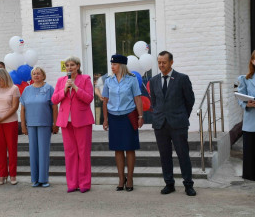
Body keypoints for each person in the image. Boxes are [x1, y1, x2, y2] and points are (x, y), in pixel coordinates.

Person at [149, 51, 196, 196]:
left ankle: (188, 184)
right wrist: (158, 115)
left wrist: (181, 116)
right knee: (165, 155)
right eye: (159, 62)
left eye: (164, 62)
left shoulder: (182, 78)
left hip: (178, 124)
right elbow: (155, 102)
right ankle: (169, 183)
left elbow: (190, 100)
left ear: (171, 62)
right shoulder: (154, 80)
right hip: (160, 124)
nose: (161, 65)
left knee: (183, 155)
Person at [52, 56, 94, 193]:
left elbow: (89, 98)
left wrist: (75, 87)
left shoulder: (85, 79)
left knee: (83, 153)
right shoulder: (61, 81)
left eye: (72, 65)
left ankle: (85, 183)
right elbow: (54, 99)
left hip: (82, 120)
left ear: (78, 66)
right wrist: (64, 89)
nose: (69, 67)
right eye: (67, 65)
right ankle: (72, 183)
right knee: (70, 153)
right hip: (66, 121)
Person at [102, 54, 144, 192]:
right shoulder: (108, 81)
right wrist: (105, 119)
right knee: (118, 149)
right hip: (114, 118)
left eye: (114, 64)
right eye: (111, 64)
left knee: (130, 148)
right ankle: (121, 178)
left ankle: (130, 178)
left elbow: (137, 98)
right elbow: (105, 101)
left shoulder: (131, 80)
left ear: (121, 65)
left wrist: (140, 116)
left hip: (128, 117)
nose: (112, 67)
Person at [20, 67, 58, 187]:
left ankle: (43, 179)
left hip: (44, 124)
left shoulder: (49, 89)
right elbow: (22, 109)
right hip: (31, 124)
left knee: (43, 152)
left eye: (38, 73)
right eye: (34, 74)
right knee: (33, 152)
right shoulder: (27, 90)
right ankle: (35, 179)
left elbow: (54, 107)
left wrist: (55, 124)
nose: (36, 75)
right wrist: (23, 125)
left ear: (43, 75)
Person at [237, 50, 255, 181]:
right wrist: (246, 105)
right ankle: (250, 175)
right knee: (250, 151)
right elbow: (239, 97)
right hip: (251, 121)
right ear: (252, 61)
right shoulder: (246, 79)